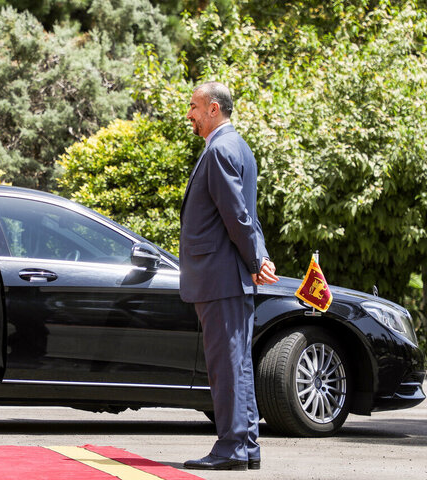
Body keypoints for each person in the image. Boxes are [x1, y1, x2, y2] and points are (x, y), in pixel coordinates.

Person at [179, 82, 278, 471]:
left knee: (227, 365)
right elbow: (246, 215)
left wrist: (257, 260)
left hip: (220, 276)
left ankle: (231, 448)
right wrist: (259, 257)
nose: (190, 114)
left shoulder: (220, 149)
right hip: (228, 275)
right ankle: (246, 446)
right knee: (236, 364)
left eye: (194, 107)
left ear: (214, 109)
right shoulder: (238, 146)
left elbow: (236, 214)